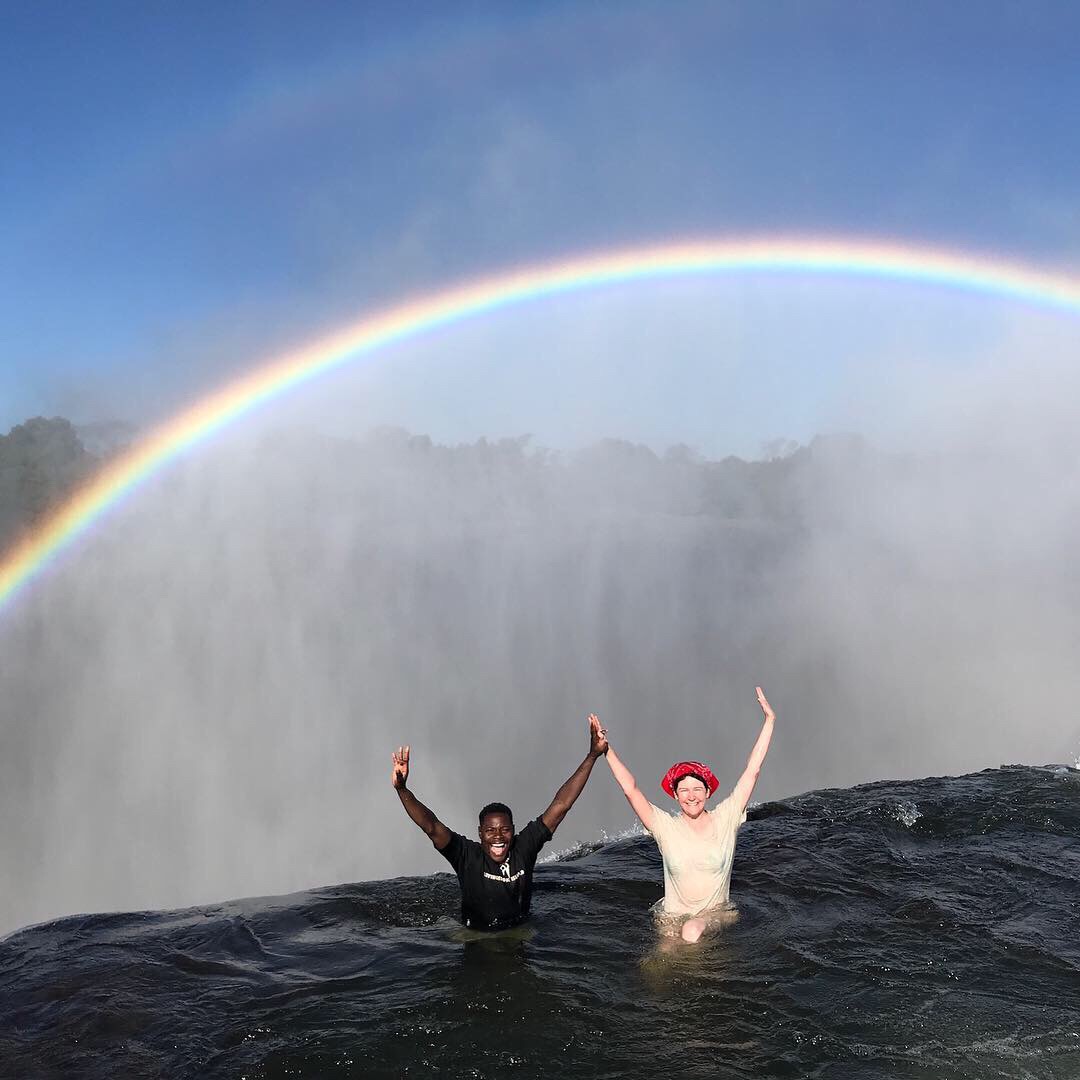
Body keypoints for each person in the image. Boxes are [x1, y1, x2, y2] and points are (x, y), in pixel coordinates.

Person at [391, 715, 608, 930]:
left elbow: (561, 805)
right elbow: (431, 826)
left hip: (517, 936)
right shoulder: (466, 856)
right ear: (480, 833)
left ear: (513, 831)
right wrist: (402, 790)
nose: (497, 836)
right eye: (490, 830)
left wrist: (592, 756)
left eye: (504, 830)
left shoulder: (524, 847)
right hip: (476, 938)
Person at [601, 686, 776, 944]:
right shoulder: (665, 827)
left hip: (714, 914)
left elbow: (753, 770)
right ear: (675, 795)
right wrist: (606, 749)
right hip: (671, 917)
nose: (691, 796)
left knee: (692, 932)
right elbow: (631, 789)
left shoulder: (725, 818)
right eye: (684, 790)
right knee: (658, 965)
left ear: (708, 792)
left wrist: (769, 721)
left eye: (697, 789)